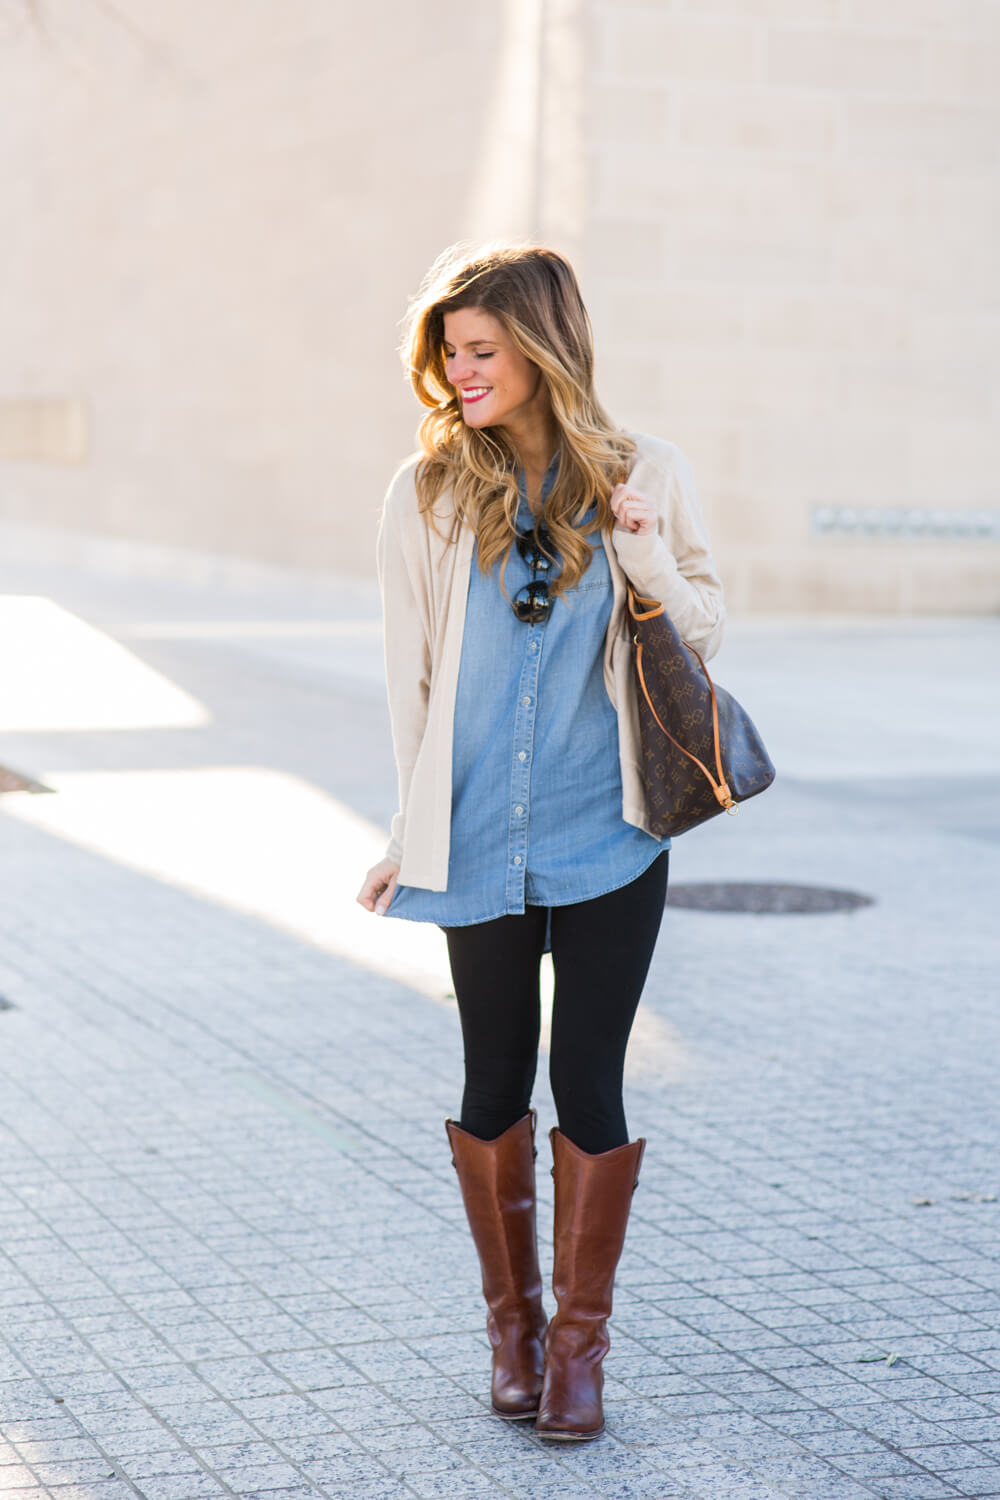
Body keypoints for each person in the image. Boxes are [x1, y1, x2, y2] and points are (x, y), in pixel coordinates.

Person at [357, 243, 724, 1441]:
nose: (459, 373)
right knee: (488, 1081)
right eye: (448, 354)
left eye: (481, 351)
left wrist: (640, 548)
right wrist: (408, 833)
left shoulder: (642, 470)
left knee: (591, 1082)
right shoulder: (426, 495)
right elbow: (411, 680)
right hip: (476, 839)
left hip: (610, 830)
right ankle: (510, 1333)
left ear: (541, 349)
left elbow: (706, 627)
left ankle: (580, 1352)